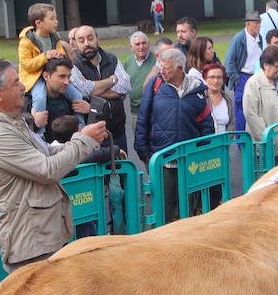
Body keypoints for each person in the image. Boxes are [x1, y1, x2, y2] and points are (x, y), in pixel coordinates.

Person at [0, 60, 108, 272]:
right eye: (16, 83)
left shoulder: (11, 122)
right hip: (30, 243)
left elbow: (48, 151)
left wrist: (82, 138)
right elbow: (48, 170)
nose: (23, 87)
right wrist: (84, 141)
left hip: (40, 236)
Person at [135, 47, 210, 221]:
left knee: (189, 209)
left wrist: (204, 154)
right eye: (161, 66)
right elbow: (143, 118)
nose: (162, 71)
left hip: (189, 161)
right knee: (164, 209)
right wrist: (142, 151)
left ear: (179, 68)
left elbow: (206, 124)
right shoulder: (155, 85)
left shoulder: (197, 89)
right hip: (163, 160)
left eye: (166, 68)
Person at [73, 25, 131, 149]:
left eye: (90, 38)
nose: (87, 43)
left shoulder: (112, 59)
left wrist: (92, 90)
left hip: (118, 133)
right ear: (75, 43)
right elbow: (83, 90)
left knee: (123, 167)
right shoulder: (74, 64)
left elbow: (125, 86)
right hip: (92, 137)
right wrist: (112, 80)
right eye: (81, 40)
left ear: (97, 38)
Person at [242, 46, 278, 144]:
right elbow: (250, 114)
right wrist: (267, 138)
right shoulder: (253, 83)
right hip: (265, 144)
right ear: (265, 65)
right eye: (277, 66)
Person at [224, 12, 265, 133]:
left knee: (257, 108)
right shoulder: (239, 39)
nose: (259, 26)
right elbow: (229, 61)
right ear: (248, 24)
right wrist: (236, 79)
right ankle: (241, 140)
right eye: (256, 23)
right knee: (241, 109)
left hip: (257, 76)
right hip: (243, 77)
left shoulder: (259, 38)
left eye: (259, 23)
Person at [17, 3, 70, 91]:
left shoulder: (55, 37)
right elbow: (26, 65)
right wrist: (45, 56)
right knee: (40, 98)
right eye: (52, 19)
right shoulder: (26, 41)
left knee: (76, 95)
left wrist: (59, 54)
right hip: (35, 79)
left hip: (54, 77)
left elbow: (62, 53)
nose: (56, 21)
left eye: (56, 18)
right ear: (39, 23)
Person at [31, 57, 92, 133]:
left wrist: (90, 110)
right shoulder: (31, 102)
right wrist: (35, 124)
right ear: (46, 76)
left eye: (69, 77)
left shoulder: (75, 98)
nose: (67, 82)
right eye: (62, 77)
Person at [123, 31, 157, 143]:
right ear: (131, 47)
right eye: (137, 44)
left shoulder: (157, 60)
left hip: (155, 111)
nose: (141, 47)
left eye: (144, 43)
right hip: (136, 113)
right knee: (140, 145)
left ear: (149, 44)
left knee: (157, 144)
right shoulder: (128, 62)